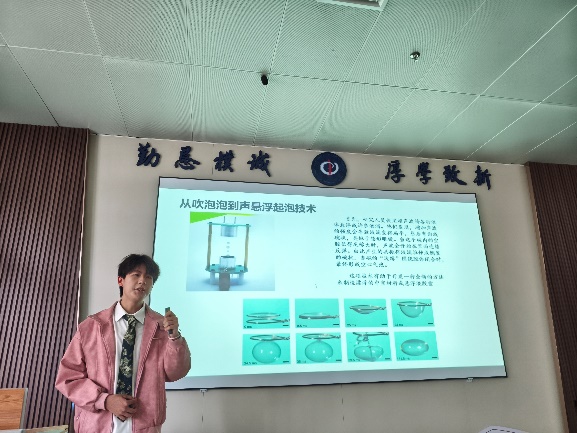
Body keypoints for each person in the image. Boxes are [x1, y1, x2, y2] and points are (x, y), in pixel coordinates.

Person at [56, 254, 191, 433]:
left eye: (149, 277)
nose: (143, 281)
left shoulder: (161, 327)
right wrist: (104, 400)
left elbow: (175, 374)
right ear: (121, 280)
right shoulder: (91, 326)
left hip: (144, 425)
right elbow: (68, 378)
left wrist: (175, 338)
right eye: (136, 275)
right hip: (97, 423)